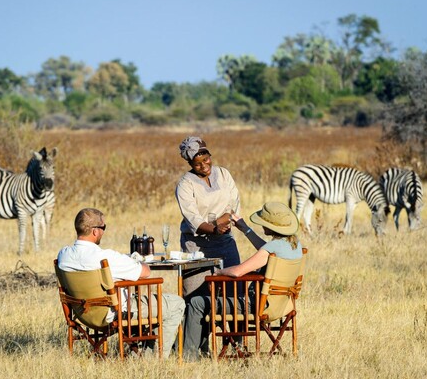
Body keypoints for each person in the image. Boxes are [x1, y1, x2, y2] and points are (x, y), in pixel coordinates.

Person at [57, 208, 185, 358]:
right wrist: (138, 261)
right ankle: (153, 360)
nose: (103, 232)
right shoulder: (105, 257)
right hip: (113, 313)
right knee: (176, 304)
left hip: (82, 315)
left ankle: (138, 353)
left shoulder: (63, 255)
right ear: (95, 231)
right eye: (103, 227)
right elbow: (145, 272)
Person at [182, 201, 304, 360]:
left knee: (197, 302)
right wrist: (245, 228)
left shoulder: (272, 248)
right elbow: (265, 247)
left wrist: (218, 273)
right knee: (208, 302)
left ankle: (188, 356)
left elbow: (238, 272)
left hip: (257, 306)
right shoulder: (295, 246)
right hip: (282, 306)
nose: (262, 225)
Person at [175, 136, 242, 299]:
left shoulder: (223, 174)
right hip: (196, 247)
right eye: (197, 164)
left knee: (235, 293)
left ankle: (234, 324)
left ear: (210, 156)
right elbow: (193, 218)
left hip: (225, 241)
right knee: (196, 296)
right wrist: (214, 229)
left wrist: (223, 225)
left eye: (206, 159)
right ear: (190, 164)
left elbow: (234, 203)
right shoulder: (185, 184)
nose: (204, 166)